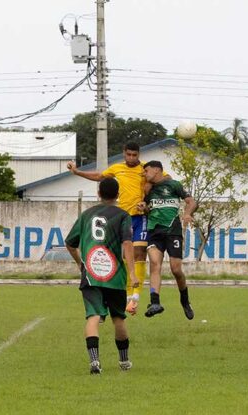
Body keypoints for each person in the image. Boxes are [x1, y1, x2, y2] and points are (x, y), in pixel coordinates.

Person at [65, 178, 139, 374]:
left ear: (99, 193)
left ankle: (95, 362)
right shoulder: (123, 216)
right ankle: (124, 362)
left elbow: (70, 243)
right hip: (115, 275)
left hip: (91, 274)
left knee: (93, 316)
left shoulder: (86, 215)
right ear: (118, 194)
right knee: (118, 318)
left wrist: (81, 264)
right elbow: (127, 244)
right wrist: (132, 273)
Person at [67, 142, 149, 315]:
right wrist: (76, 171)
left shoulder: (145, 169)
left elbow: (159, 179)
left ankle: (136, 298)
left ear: (139, 154)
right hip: (119, 217)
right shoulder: (116, 168)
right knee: (121, 256)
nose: (132, 158)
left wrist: (147, 202)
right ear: (124, 153)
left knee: (140, 252)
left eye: (135, 155)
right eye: (129, 154)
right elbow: (99, 177)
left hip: (139, 216)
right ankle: (126, 297)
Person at [137, 161, 197, 319]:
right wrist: (145, 208)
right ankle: (155, 302)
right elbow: (150, 209)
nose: (145, 174)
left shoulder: (173, 185)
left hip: (173, 231)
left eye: (147, 171)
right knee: (155, 264)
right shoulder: (148, 189)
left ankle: (184, 300)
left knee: (176, 269)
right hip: (154, 231)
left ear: (157, 170)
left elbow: (191, 201)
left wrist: (187, 213)